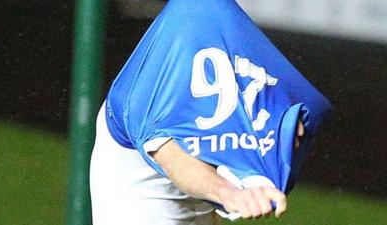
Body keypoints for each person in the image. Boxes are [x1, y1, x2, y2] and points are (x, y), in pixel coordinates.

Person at [90, 0, 331, 224]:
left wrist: (277, 146)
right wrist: (228, 193)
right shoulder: (148, 88)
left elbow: (287, 117)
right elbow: (174, 159)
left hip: (198, 204)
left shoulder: (223, 28)